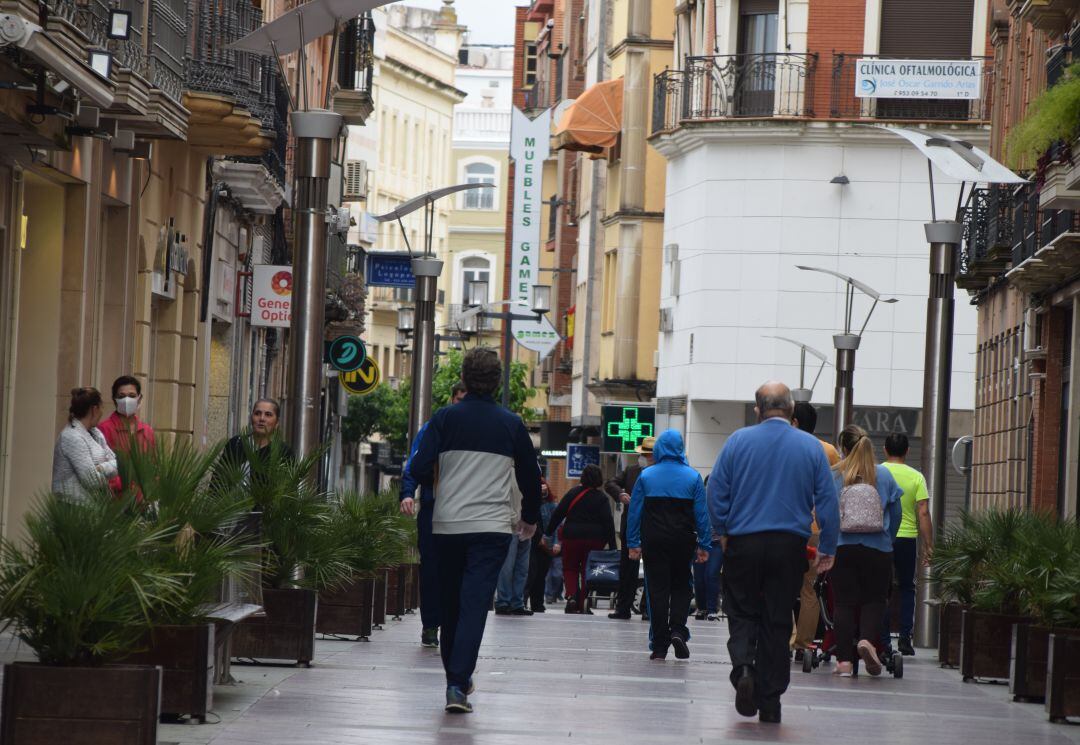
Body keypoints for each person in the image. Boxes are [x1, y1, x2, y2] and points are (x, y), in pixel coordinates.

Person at [407, 347, 541, 714]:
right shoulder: (511, 425)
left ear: (464, 379)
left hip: (447, 526)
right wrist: (530, 516)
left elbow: (419, 466)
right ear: (497, 381)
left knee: (451, 603)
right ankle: (456, 682)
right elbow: (531, 476)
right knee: (474, 604)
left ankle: (457, 677)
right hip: (491, 528)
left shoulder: (444, 419)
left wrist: (423, 484)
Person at [708, 382, 838, 724]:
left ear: (757, 409)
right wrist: (827, 547)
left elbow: (717, 491)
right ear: (792, 410)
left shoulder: (737, 442)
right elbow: (827, 500)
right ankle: (770, 699)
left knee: (741, 609)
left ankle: (744, 668)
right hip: (788, 545)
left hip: (744, 542)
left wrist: (720, 531)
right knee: (778, 618)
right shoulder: (811, 448)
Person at [627, 430, 711, 660]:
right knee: (683, 585)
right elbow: (702, 515)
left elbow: (635, 512)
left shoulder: (646, 476)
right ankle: (678, 630)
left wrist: (633, 543)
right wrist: (704, 544)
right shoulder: (693, 477)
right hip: (683, 540)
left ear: (659, 449)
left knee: (656, 589)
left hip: (653, 540)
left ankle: (660, 644)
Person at [830, 425, 903, 678]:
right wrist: (887, 541)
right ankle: (867, 642)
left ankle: (844, 663)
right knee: (874, 600)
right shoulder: (883, 475)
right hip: (878, 550)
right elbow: (896, 515)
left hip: (843, 547)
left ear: (844, 448)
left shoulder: (836, 475)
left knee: (843, 603)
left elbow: (826, 513)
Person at [401, 382, 467, 647]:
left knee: (460, 570)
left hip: (465, 511)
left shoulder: (476, 431)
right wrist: (407, 493)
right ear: (451, 400)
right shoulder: (434, 427)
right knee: (431, 569)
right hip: (433, 507)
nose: (461, 405)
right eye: (458, 400)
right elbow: (414, 465)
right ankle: (431, 624)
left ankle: (454, 622)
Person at [789, 401, 841, 657]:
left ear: (795, 422)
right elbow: (833, 492)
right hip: (816, 529)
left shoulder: (785, 446)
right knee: (809, 589)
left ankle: (785, 639)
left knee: (782, 585)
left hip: (787, 526)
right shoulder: (829, 451)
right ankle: (803, 645)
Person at [880, 432, 932, 657]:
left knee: (881, 589)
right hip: (907, 538)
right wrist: (929, 544)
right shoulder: (916, 477)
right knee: (907, 587)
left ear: (885, 449)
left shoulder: (877, 471)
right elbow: (923, 512)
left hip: (881, 537)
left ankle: (883, 640)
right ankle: (904, 638)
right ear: (907, 451)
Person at [546, 465, 617, 614]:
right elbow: (608, 522)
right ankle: (583, 602)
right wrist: (612, 546)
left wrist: (548, 532)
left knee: (570, 567)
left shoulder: (573, 493)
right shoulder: (602, 498)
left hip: (572, 537)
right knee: (588, 570)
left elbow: (558, 513)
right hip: (595, 540)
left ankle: (571, 596)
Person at [604, 441, 650, 620]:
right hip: (631, 527)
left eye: (646, 455)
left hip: (653, 528)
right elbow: (611, 483)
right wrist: (620, 494)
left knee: (651, 571)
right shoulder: (631, 471)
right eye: (642, 454)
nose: (643, 458)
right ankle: (623, 608)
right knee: (627, 570)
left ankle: (647, 609)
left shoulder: (661, 473)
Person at [52, 387, 119, 500]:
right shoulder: (72, 436)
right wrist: (109, 467)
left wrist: (102, 468)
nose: (102, 413)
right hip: (73, 507)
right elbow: (91, 481)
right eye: (101, 407)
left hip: (93, 508)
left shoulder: (96, 433)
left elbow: (117, 462)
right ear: (95, 409)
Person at [220, 398, 293, 471]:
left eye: (268, 414)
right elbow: (218, 478)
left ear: (277, 422)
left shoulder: (283, 452)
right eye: (257, 413)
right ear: (251, 418)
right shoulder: (236, 444)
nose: (262, 418)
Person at [495, 484, 534, 616]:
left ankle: (517, 602)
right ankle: (503, 602)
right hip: (511, 525)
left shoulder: (528, 470)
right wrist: (514, 518)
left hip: (526, 524)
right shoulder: (507, 468)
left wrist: (530, 519)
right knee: (507, 567)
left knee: (522, 567)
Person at [97, 376, 156, 454]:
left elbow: (153, 463)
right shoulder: (103, 429)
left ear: (139, 398)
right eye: (121, 396)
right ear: (114, 399)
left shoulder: (147, 431)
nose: (126, 400)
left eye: (132, 396)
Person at [525, 479, 557, 612]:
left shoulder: (551, 506)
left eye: (544, 489)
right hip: (531, 542)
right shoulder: (530, 503)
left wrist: (555, 543)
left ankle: (537, 603)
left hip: (545, 545)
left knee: (541, 575)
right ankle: (523, 600)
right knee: (530, 572)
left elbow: (555, 525)